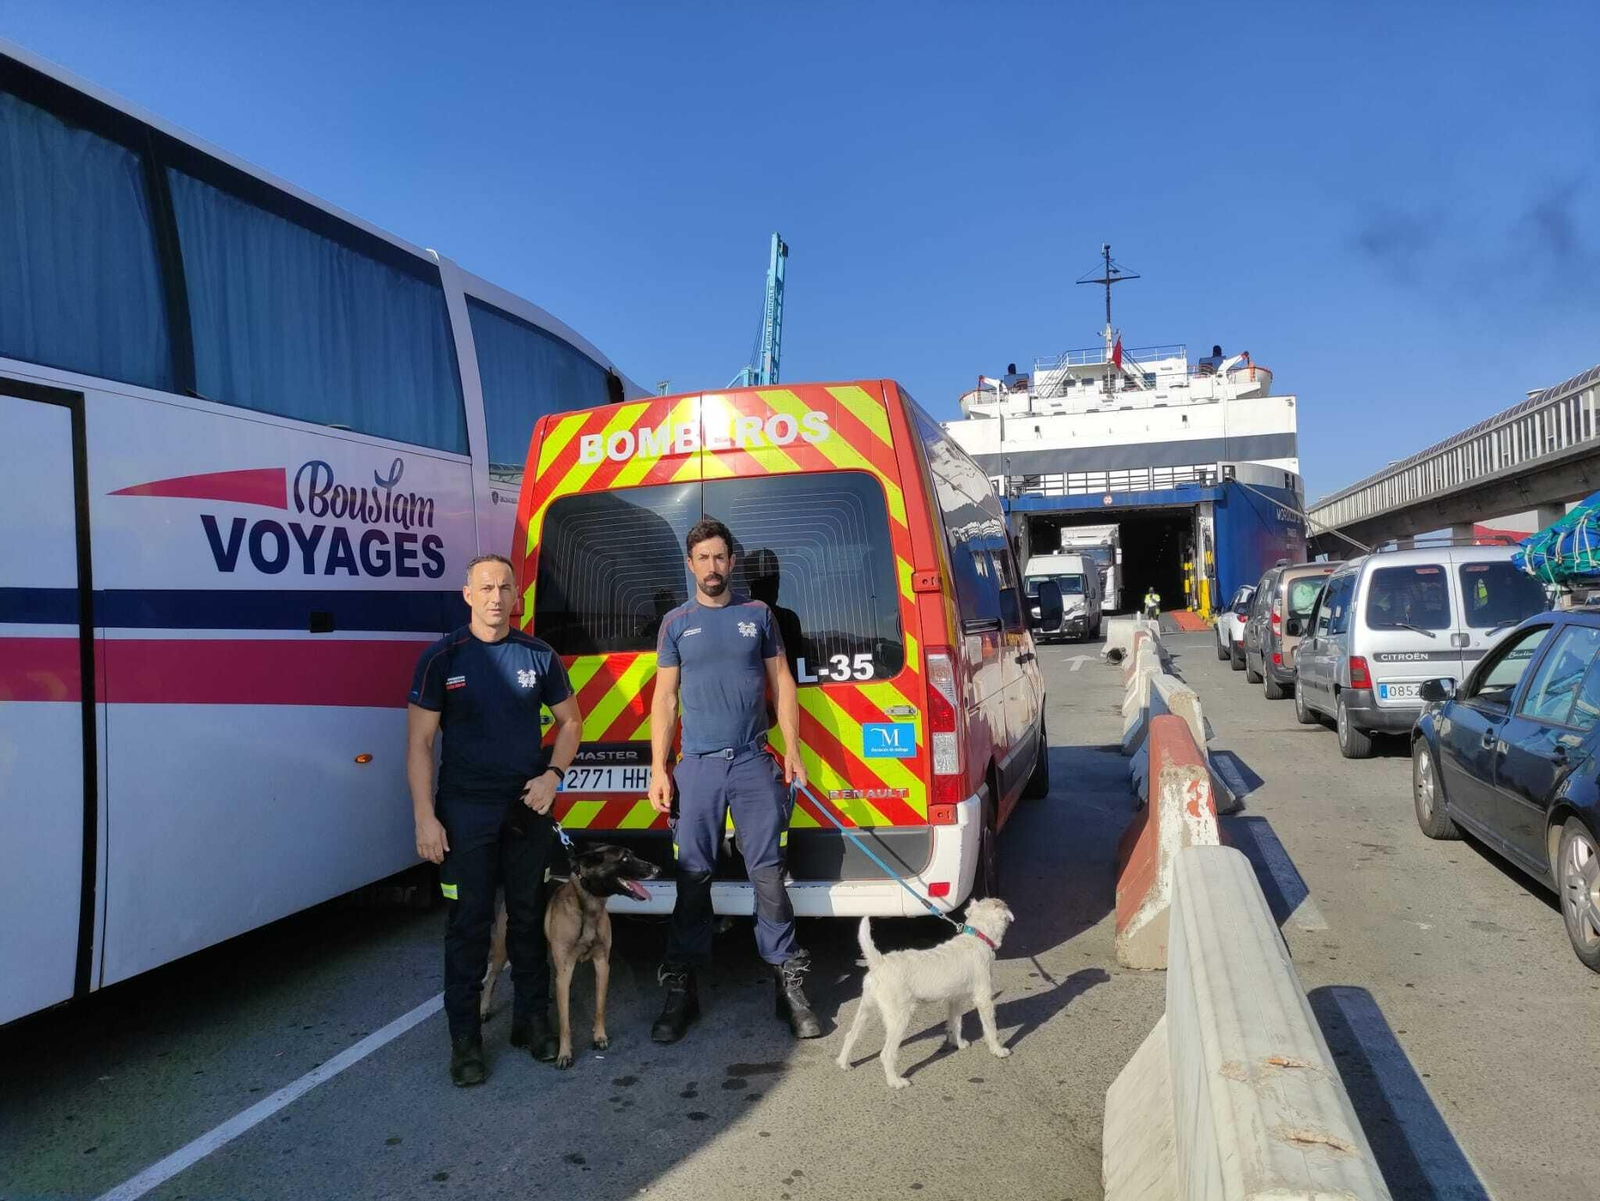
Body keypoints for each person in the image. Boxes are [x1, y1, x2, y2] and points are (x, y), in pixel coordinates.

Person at [407, 553, 584, 1087]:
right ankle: (465, 1041)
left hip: (526, 808)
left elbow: (571, 720)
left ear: (517, 597)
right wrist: (424, 818)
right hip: (464, 813)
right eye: (485, 587)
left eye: (504, 587)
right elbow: (419, 743)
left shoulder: (539, 655)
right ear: (467, 595)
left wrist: (553, 774)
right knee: (469, 927)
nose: (495, 597)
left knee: (528, 919)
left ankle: (532, 1022)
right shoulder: (442, 659)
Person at [647, 518, 821, 1043]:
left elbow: (782, 682)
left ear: (732, 561)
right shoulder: (676, 623)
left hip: (752, 762)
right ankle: (683, 989)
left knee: (769, 875)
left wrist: (791, 748)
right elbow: (665, 699)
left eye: (720, 557)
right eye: (702, 558)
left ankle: (787, 984)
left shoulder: (758, 615)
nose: (712, 567)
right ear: (690, 564)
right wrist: (660, 765)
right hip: (696, 766)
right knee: (692, 877)